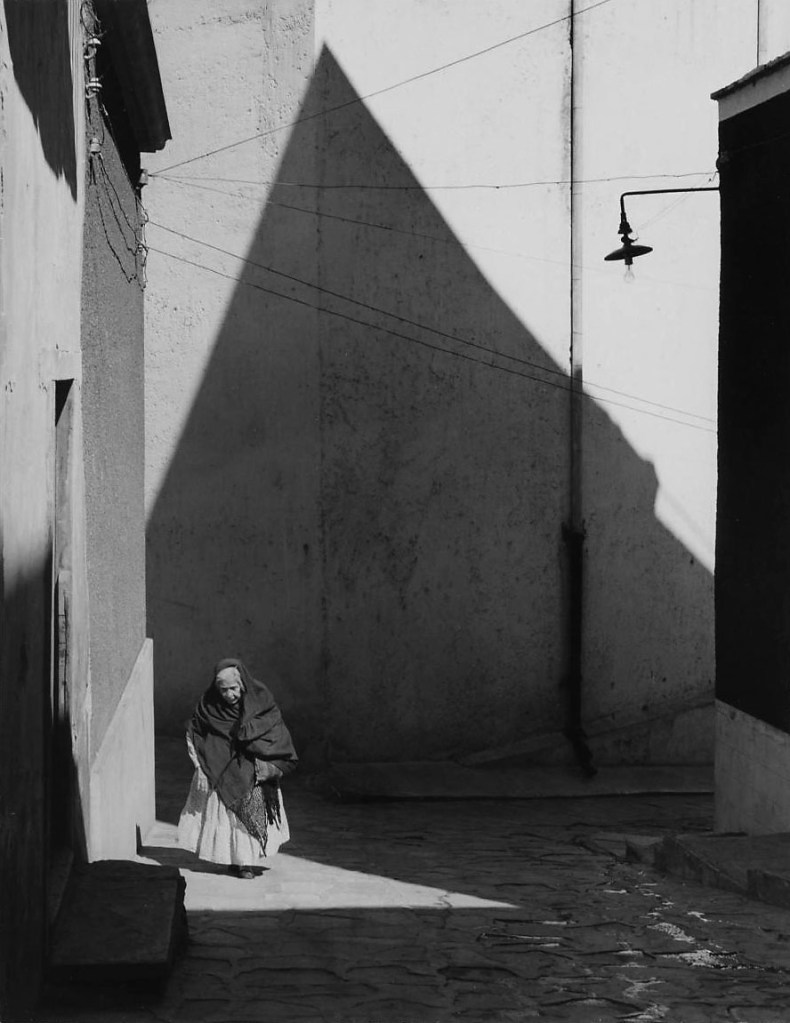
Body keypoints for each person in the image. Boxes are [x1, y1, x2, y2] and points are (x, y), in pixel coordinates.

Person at [178, 657, 298, 878]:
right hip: (220, 769)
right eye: (223, 690)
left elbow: (274, 730)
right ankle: (235, 861)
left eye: (233, 689)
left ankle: (245, 863)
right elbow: (193, 735)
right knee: (227, 817)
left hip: (252, 770)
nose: (229, 695)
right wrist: (199, 767)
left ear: (242, 684)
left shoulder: (260, 700)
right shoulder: (208, 707)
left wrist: (263, 755)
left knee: (248, 814)